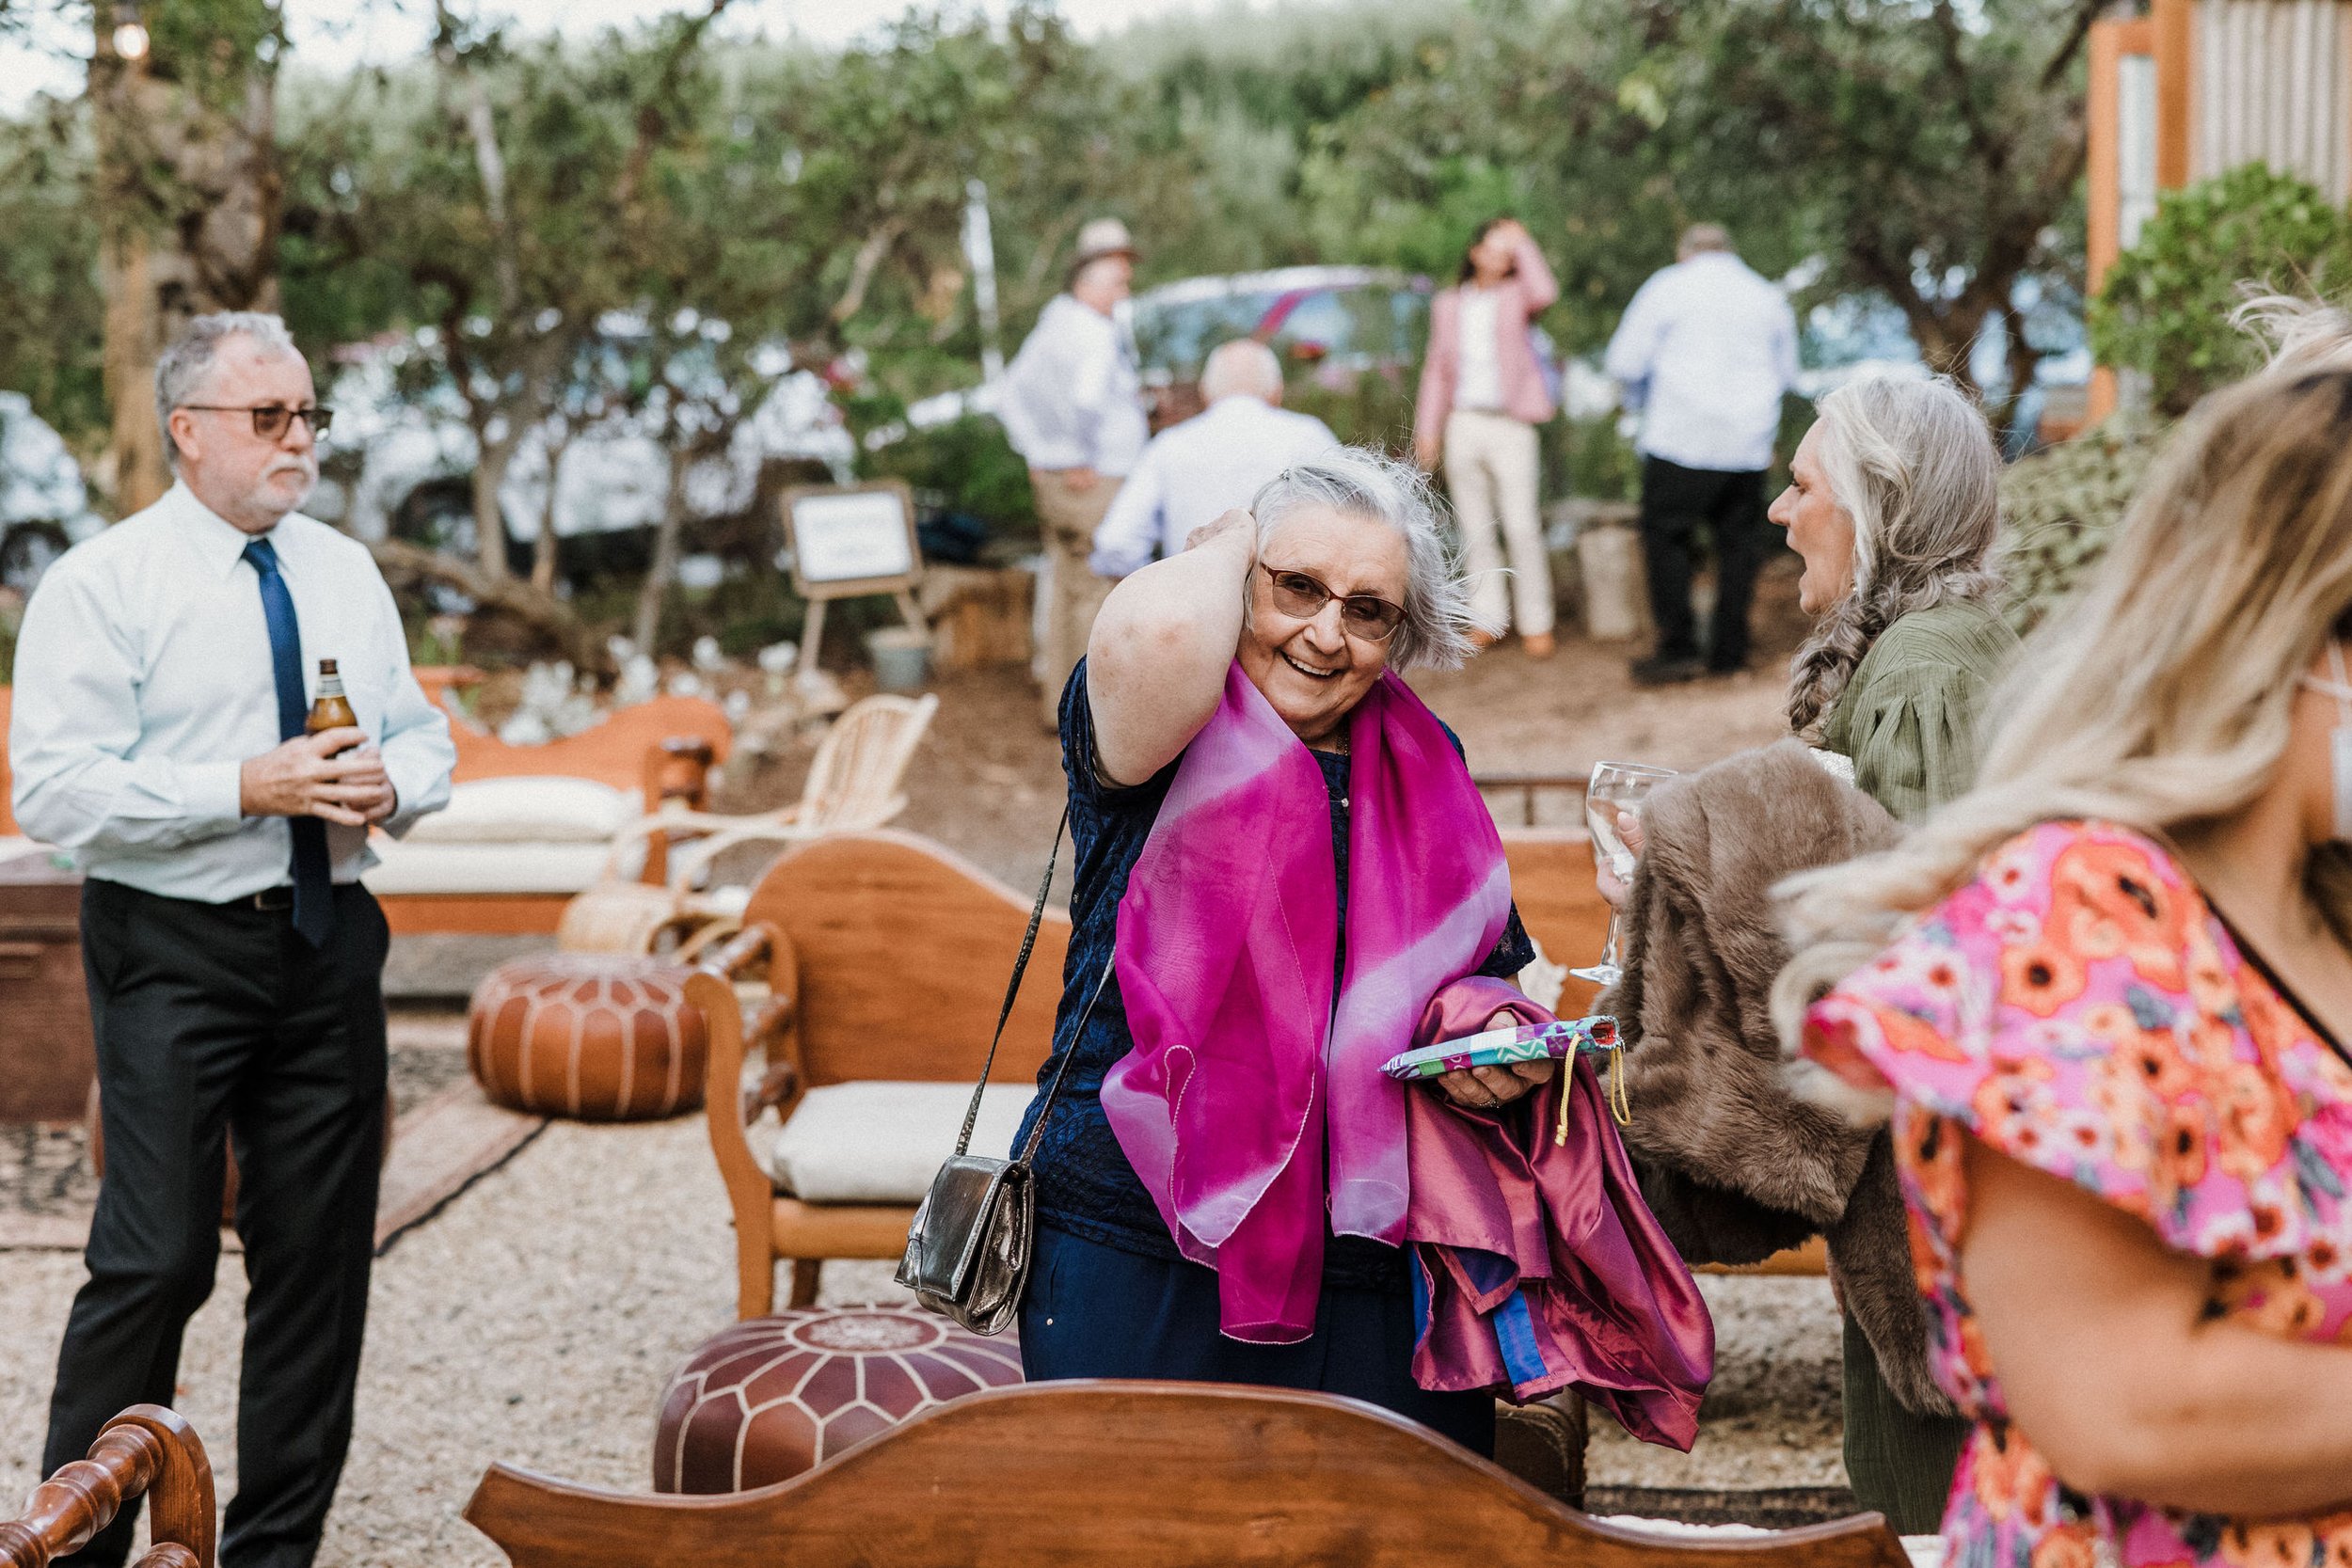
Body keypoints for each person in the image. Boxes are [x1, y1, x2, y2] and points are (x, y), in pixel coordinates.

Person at [1779, 364, 2352, 1560]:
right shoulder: (2082, 919)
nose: (1781, 514)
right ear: (2302, 627)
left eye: (1802, 486)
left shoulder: (2323, 910)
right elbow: (2119, 1403)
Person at [10, 312, 455, 1568]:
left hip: (329, 940)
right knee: (152, 1257)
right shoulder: (104, 584)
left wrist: (395, 785)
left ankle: (272, 1551)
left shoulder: (343, 568)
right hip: (172, 946)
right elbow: (52, 791)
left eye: (310, 415)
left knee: (317, 1265)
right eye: (271, 418)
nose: (298, 439)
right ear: (187, 429)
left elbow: (422, 734)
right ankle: (74, 1544)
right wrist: (240, 786)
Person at [1015, 449, 1549, 1455]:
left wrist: (1493, 1038)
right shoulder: (1158, 724)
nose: (1323, 632)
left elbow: (1488, 975)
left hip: (1377, 1260)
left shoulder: (1429, 764)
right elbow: (1170, 624)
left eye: (1367, 609)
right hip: (1132, 1238)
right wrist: (1227, 542)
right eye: (1295, 586)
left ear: (1400, 635)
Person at [1600, 373, 2016, 1532]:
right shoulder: (1935, 651)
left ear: (1876, 506)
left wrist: (1697, 869)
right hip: (1934, 1202)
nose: (1778, 514)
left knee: (1931, 1508)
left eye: (1800, 485)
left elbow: (1922, 955)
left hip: (1943, 1212)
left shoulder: (1927, 670)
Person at [1605, 223, 1800, 686]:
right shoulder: (1766, 295)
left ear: (1685, 251)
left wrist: (1637, 402)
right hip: (1745, 445)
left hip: (1680, 437)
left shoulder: (1668, 286)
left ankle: (1679, 649)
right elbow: (1789, 373)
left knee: (1667, 540)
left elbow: (1624, 362)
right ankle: (1729, 653)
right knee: (1737, 548)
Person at [999, 217, 1151, 726]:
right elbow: (1085, 402)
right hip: (1096, 480)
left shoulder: (1054, 321)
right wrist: (1076, 452)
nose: (1124, 291)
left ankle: (1058, 708)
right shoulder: (1094, 332)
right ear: (1087, 279)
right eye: (1118, 282)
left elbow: (1010, 393)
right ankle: (1093, 715)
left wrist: (1038, 454)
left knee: (1067, 587)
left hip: (1060, 481)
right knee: (1098, 593)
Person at [1413, 217, 1561, 658]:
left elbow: (1545, 292)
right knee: (1475, 527)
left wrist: (1524, 241)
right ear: (1475, 252)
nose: (1502, 258)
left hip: (1511, 423)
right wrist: (1428, 429)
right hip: (1463, 422)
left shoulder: (1518, 297)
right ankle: (1488, 618)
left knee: (1521, 525)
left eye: (1508, 253)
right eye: (1495, 248)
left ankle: (1538, 621)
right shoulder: (1448, 304)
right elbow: (1437, 368)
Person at [1088, 338, 1339, 580]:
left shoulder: (1170, 445)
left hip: (1191, 605)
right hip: (1285, 609)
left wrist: (1157, 590)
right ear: (1277, 391)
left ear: (1204, 392)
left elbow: (1115, 543)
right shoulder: (1310, 437)